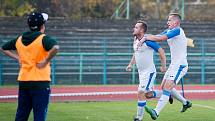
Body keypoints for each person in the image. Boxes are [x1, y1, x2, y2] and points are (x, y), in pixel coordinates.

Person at [0, 12, 59, 121]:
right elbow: (55, 47)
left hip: (24, 82)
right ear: (42, 26)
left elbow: (3, 48)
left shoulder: (19, 39)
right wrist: (46, 61)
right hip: (40, 83)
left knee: (21, 116)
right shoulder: (43, 39)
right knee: (39, 116)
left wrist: (18, 58)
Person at [144, 12, 192, 120]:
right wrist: (145, 37)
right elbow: (158, 36)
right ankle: (185, 102)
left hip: (180, 65)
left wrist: (145, 38)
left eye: (170, 20)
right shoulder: (170, 30)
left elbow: (162, 38)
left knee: (167, 88)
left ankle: (156, 112)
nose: (167, 22)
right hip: (173, 64)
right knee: (164, 87)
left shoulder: (178, 30)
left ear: (176, 22)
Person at [126, 20, 167, 121]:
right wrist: (131, 64)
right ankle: (166, 94)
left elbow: (161, 51)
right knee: (147, 95)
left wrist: (163, 66)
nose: (133, 29)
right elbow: (136, 53)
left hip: (149, 72)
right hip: (141, 73)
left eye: (136, 27)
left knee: (140, 92)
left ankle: (139, 118)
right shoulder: (135, 40)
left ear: (142, 30)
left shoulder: (148, 41)